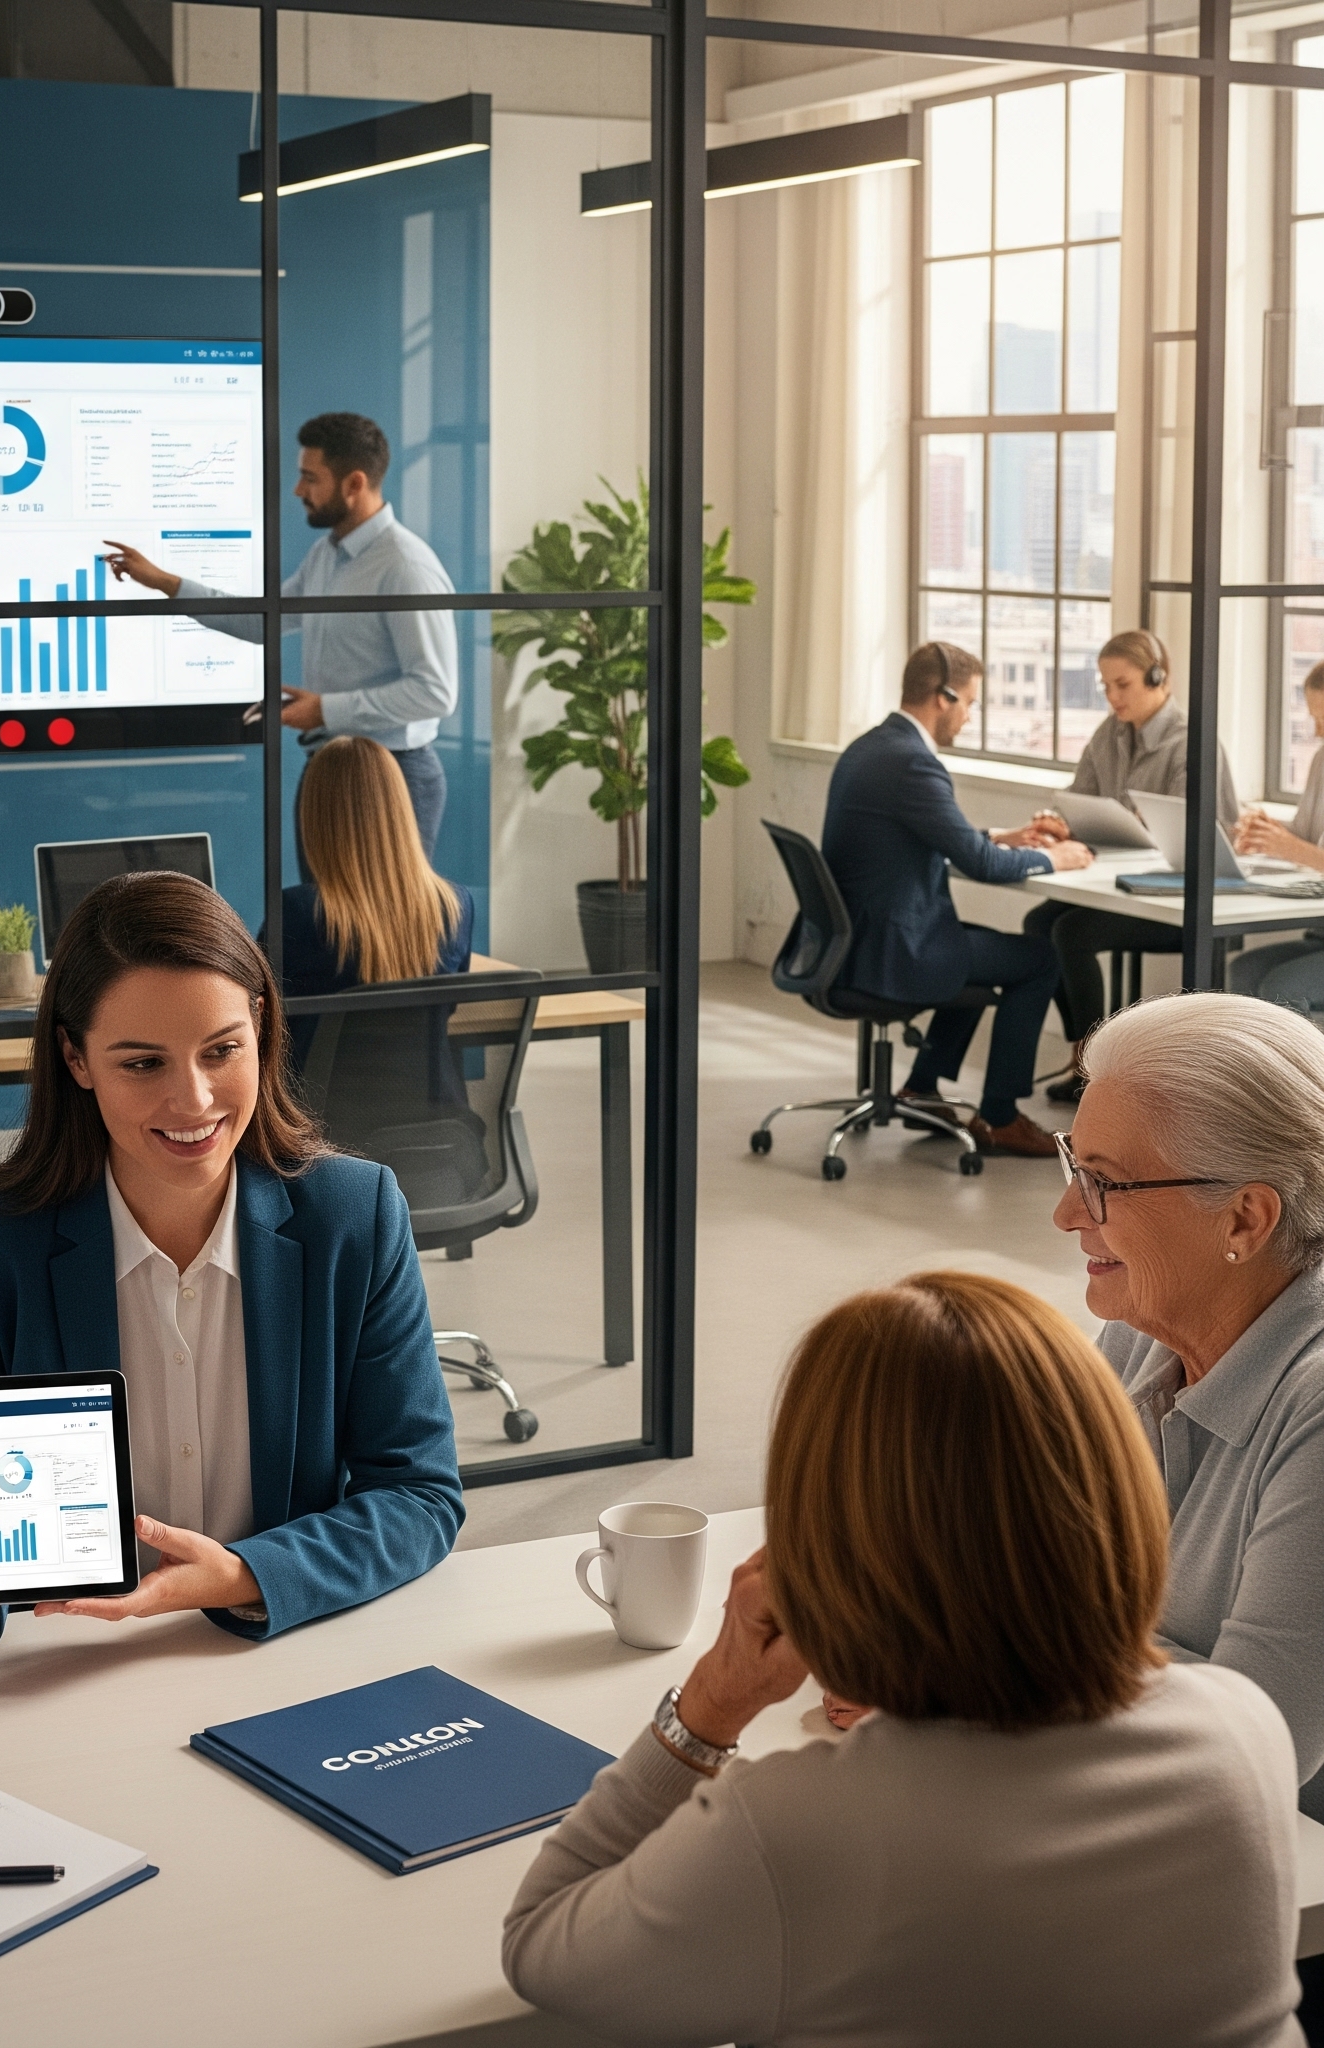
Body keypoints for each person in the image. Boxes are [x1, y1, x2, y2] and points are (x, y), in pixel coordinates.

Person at [502, 1269, 1302, 2046]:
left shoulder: (794, 1832)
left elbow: (541, 1945)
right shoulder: (1243, 1733)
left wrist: (714, 1700)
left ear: (829, 1534)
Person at [0, 869, 465, 1668]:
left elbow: (418, 1496)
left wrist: (243, 1575)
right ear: (76, 1058)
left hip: (275, 1649)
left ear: (263, 1027)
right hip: (64, 1671)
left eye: (221, 1051)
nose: (195, 1099)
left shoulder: (355, 1215)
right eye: (142, 1064)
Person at [1055, 993, 1324, 1823]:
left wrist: (1006, 1653)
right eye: (1074, 1167)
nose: (1066, 1214)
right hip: (1111, 1794)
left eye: (1103, 1184)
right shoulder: (1149, 1323)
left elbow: (1254, 1737)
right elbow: (1040, 1566)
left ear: (1245, 1216)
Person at [101, 412, 458, 857]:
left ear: (354, 484)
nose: (298, 490)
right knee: (325, 921)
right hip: (330, 767)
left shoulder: (406, 568)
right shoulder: (327, 555)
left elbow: (435, 692)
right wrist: (166, 583)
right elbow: (261, 621)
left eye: (311, 478)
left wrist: (325, 709)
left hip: (391, 778)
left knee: (384, 927)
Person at [820, 640, 1094, 1157]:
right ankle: (1000, 1115)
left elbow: (930, 838)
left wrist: (1006, 835)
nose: (970, 717)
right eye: (970, 703)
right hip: (891, 952)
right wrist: (1057, 859)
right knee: (1039, 958)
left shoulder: (872, 747)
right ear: (943, 697)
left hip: (855, 941)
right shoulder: (914, 765)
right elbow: (982, 867)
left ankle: (922, 1087)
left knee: (977, 950)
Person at [1018, 630, 1240, 1102]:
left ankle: (1094, 1066)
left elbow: (1195, 836)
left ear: (1158, 678)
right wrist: (1064, 825)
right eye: (1106, 686)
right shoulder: (1109, 733)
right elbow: (1084, 797)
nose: (1113, 696)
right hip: (1125, 890)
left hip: (1182, 902)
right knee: (1038, 923)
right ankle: (1083, 1054)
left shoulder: (1193, 742)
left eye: (1123, 684)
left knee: (1071, 932)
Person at [276, 733, 473, 1062]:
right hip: (433, 1108)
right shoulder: (455, 906)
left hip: (312, 1112)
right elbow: (447, 1008)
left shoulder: (298, 912)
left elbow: (259, 1015)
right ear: (400, 810)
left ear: (314, 818)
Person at [1230, 659, 1324, 1011]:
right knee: (1242, 970)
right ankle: (1249, 1069)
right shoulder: (1321, 760)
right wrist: (1268, 831)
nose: (1318, 732)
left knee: (1278, 985)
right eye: (1315, 718)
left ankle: (1299, 1067)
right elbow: (1305, 836)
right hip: (1319, 934)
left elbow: (1304, 851)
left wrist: (1291, 847)